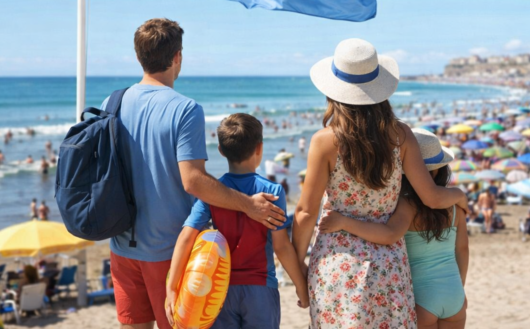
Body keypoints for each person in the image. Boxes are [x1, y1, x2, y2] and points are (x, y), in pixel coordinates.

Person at [104, 19, 284, 329]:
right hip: (168, 247)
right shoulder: (185, 109)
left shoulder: (114, 102)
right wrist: (247, 205)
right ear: (177, 57)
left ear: (138, 57)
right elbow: (194, 180)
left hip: (122, 244)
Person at [292, 39, 467, 329]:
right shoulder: (401, 136)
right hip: (389, 266)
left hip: (337, 261)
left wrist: (299, 266)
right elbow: (433, 198)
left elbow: (305, 213)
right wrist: (459, 194)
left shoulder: (325, 141)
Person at [165, 114, 308, 329]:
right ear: (259, 148)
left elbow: (186, 237)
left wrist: (172, 288)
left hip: (219, 290)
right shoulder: (272, 191)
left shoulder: (213, 193)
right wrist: (300, 286)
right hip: (261, 287)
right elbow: (281, 246)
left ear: (221, 151)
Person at [318, 129, 468, 329]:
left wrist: (344, 222)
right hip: (454, 294)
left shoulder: (408, 205)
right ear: (440, 170)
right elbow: (462, 250)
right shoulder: (455, 207)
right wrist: (458, 289)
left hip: (422, 299)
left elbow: (390, 234)